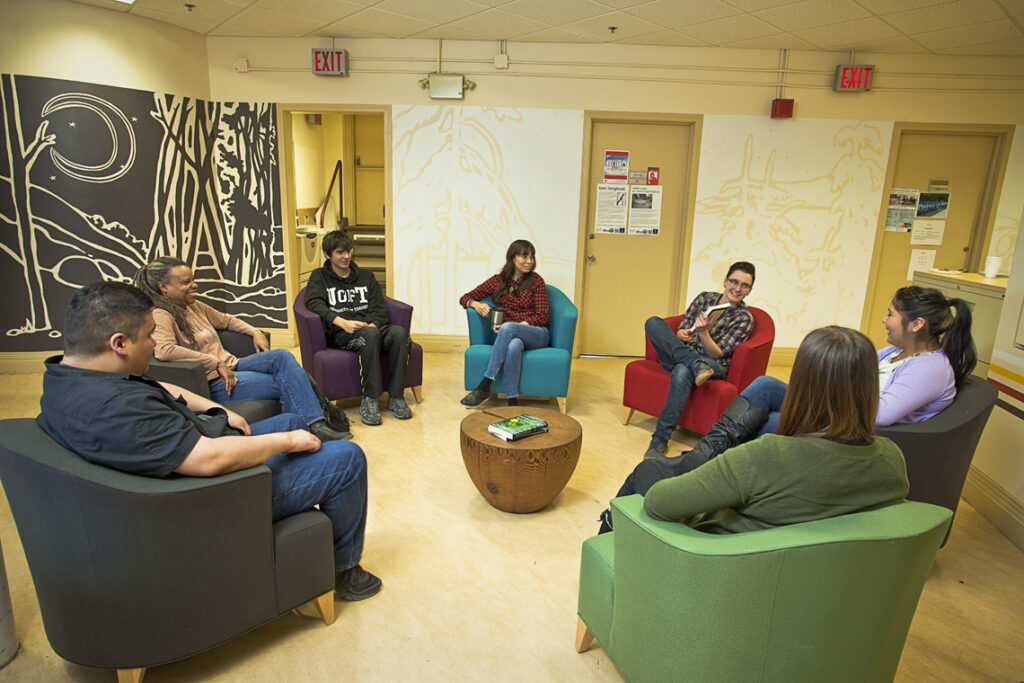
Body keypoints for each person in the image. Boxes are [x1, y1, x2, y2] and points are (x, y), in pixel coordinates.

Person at [37, 282, 381, 601]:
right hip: (212, 495)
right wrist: (287, 441)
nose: (155, 345)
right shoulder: (117, 408)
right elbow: (208, 460)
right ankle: (345, 572)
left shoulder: (68, 378)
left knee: (292, 419)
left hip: (196, 450)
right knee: (347, 458)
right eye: (147, 336)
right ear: (119, 343)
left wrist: (216, 408)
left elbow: (160, 388)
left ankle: (309, 533)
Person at [600, 326, 909, 534]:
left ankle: (603, 559)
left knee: (647, 471)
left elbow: (659, 503)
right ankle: (699, 457)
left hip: (723, 561)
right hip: (809, 578)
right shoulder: (892, 461)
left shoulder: (767, 455)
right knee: (763, 389)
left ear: (801, 384)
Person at [134, 257, 350, 442]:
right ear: (164, 287)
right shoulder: (161, 314)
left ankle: (312, 426)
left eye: (193, 279)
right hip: (216, 381)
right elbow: (164, 350)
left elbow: (226, 321)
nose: (194, 285)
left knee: (283, 356)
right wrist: (213, 362)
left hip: (234, 364)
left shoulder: (193, 305)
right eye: (185, 282)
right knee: (290, 380)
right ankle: (312, 427)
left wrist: (255, 331)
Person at [733, 284, 976, 439]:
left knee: (769, 422)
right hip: (841, 411)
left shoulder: (930, 368)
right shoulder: (895, 351)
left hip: (857, 428)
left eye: (891, 314)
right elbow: (853, 373)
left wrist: (825, 397)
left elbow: (880, 415)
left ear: (917, 324)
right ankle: (708, 456)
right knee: (765, 386)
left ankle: (730, 471)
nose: (884, 319)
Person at [640, 261, 756, 459]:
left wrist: (703, 333)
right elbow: (683, 326)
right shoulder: (705, 298)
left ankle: (659, 440)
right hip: (684, 353)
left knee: (682, 370)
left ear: (749, 290)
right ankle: (694, 363)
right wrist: (680, 334)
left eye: (744, 285)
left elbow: (718, 354)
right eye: (734, 282)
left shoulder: (745, 318)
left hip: (712, 365)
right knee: (653, 322)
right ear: (725, 281)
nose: (737, 288)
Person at [304, 229, 412, 427]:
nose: (346, 256)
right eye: (339, 252)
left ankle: (396, 396)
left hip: (370, 328)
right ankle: (370, 398)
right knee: (370, 335)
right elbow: (313, 303)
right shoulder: (319, 277)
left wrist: (374, 324)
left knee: (399, 333)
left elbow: (380, 308)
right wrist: (339, 321)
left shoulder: (366, 276)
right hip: (342, 333)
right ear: (328, 255)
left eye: (348, 251)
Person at [459, 239, 549, 407]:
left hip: (537, 334)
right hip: (510, 337)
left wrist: (520, 325)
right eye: (524, 256)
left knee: (509, 327)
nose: (529, 261)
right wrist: (476, 304)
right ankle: (512, 401)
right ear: (512, 258)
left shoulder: (537, 281)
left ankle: (485, 383)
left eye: (532, 257)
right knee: (513, 345)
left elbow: (543, 316)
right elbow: (465, 297)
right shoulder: (498, 281)